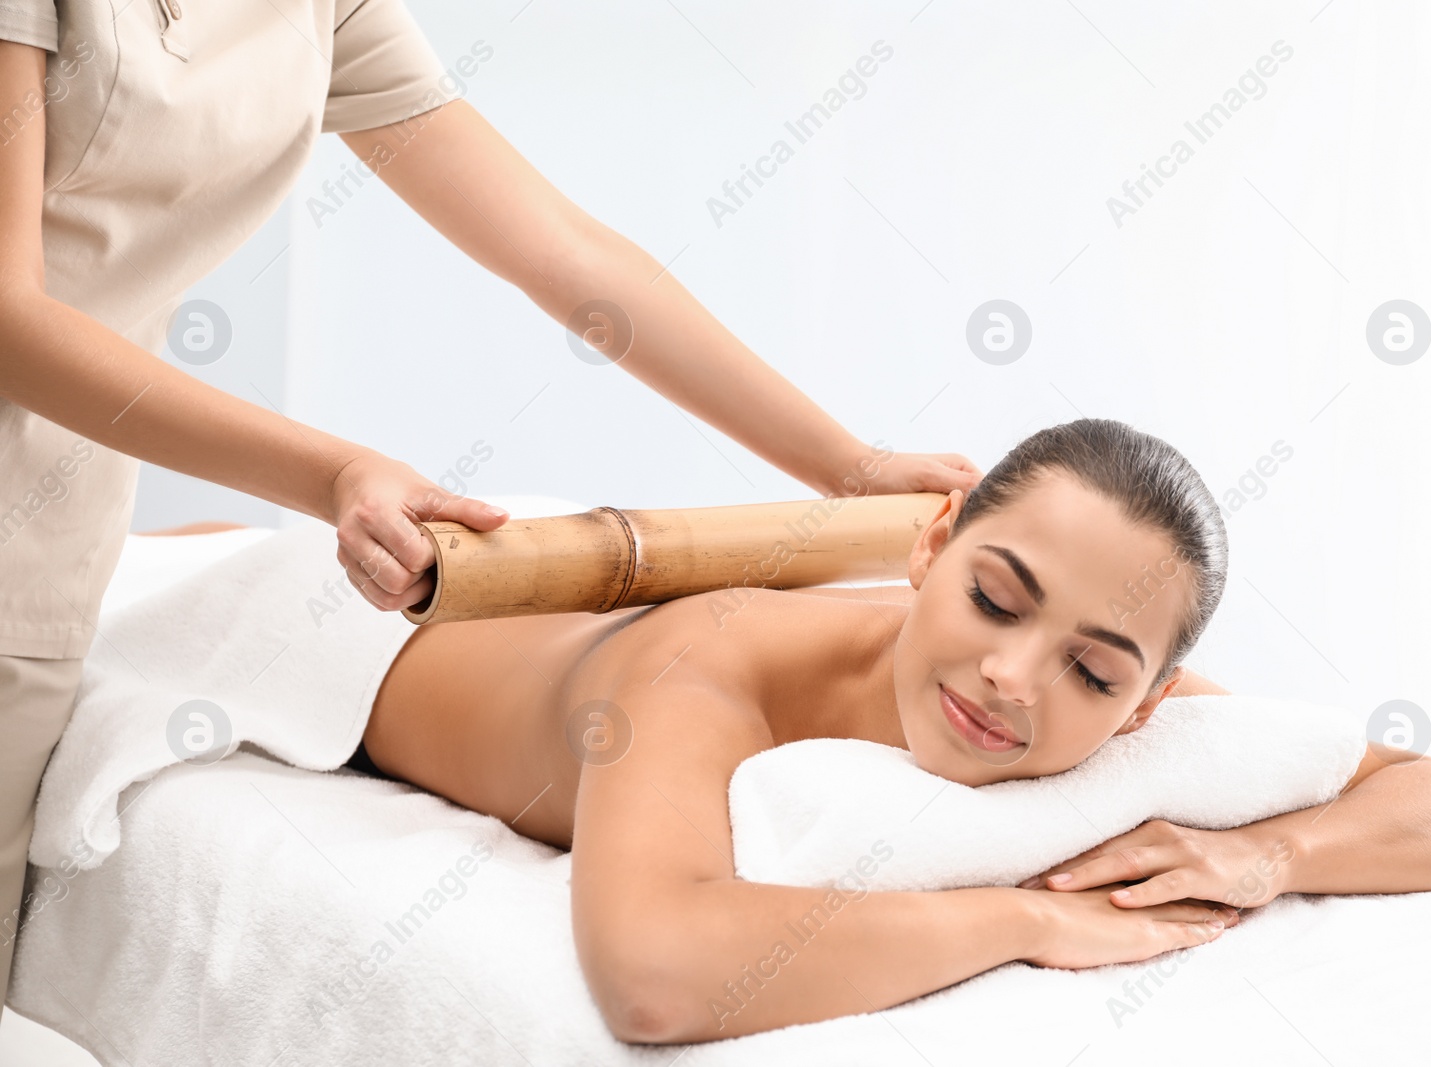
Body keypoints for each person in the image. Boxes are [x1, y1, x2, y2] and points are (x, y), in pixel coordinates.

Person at [0, 1, 980, 1014]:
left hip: (44, 552)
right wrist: (335, 473)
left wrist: (845, 464)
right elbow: (9, 312)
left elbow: (564, 251)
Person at [153, 419, 1431, 1043]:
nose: (1011, 678)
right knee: (164, 565)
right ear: (936, 541)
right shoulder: (707, 664)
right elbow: (656, 976)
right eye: (996, 594)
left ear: (1151, 701)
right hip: (360, 620)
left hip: (588, 566)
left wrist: (1271, 856)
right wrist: (1024, 918)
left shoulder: (1107, 689)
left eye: (1095, 669)